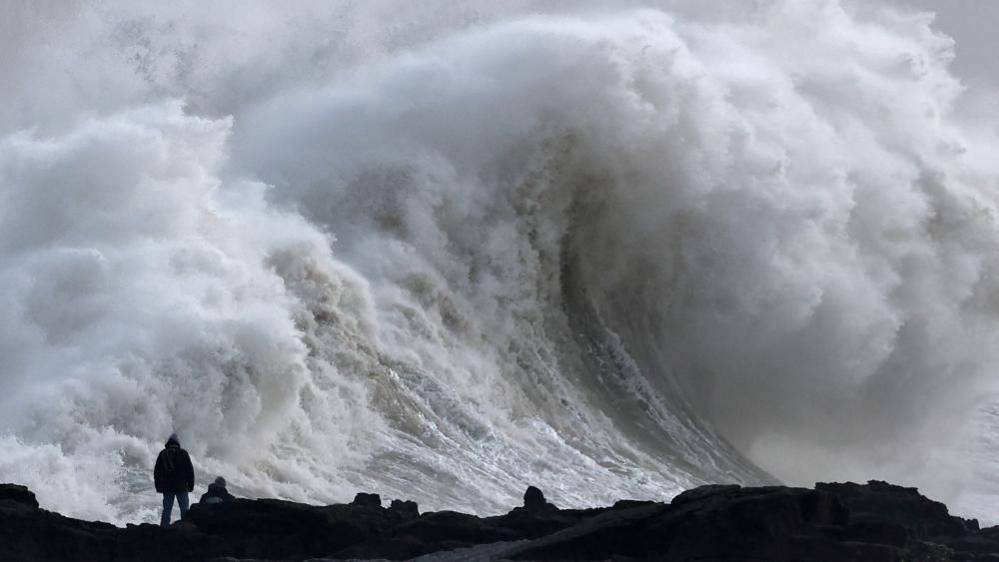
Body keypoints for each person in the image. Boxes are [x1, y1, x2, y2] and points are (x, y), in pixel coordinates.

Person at [153, 433, 195, 527]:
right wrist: (191, 486)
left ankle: (163, 529)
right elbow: (190, 471)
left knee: (167, 510)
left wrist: (158, 486)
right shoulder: (183, 453)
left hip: (167, 487)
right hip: (182, 487)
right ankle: (185, 529)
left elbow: (157, 472)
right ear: (178, 443)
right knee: (184, 510)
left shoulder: (163, 453)